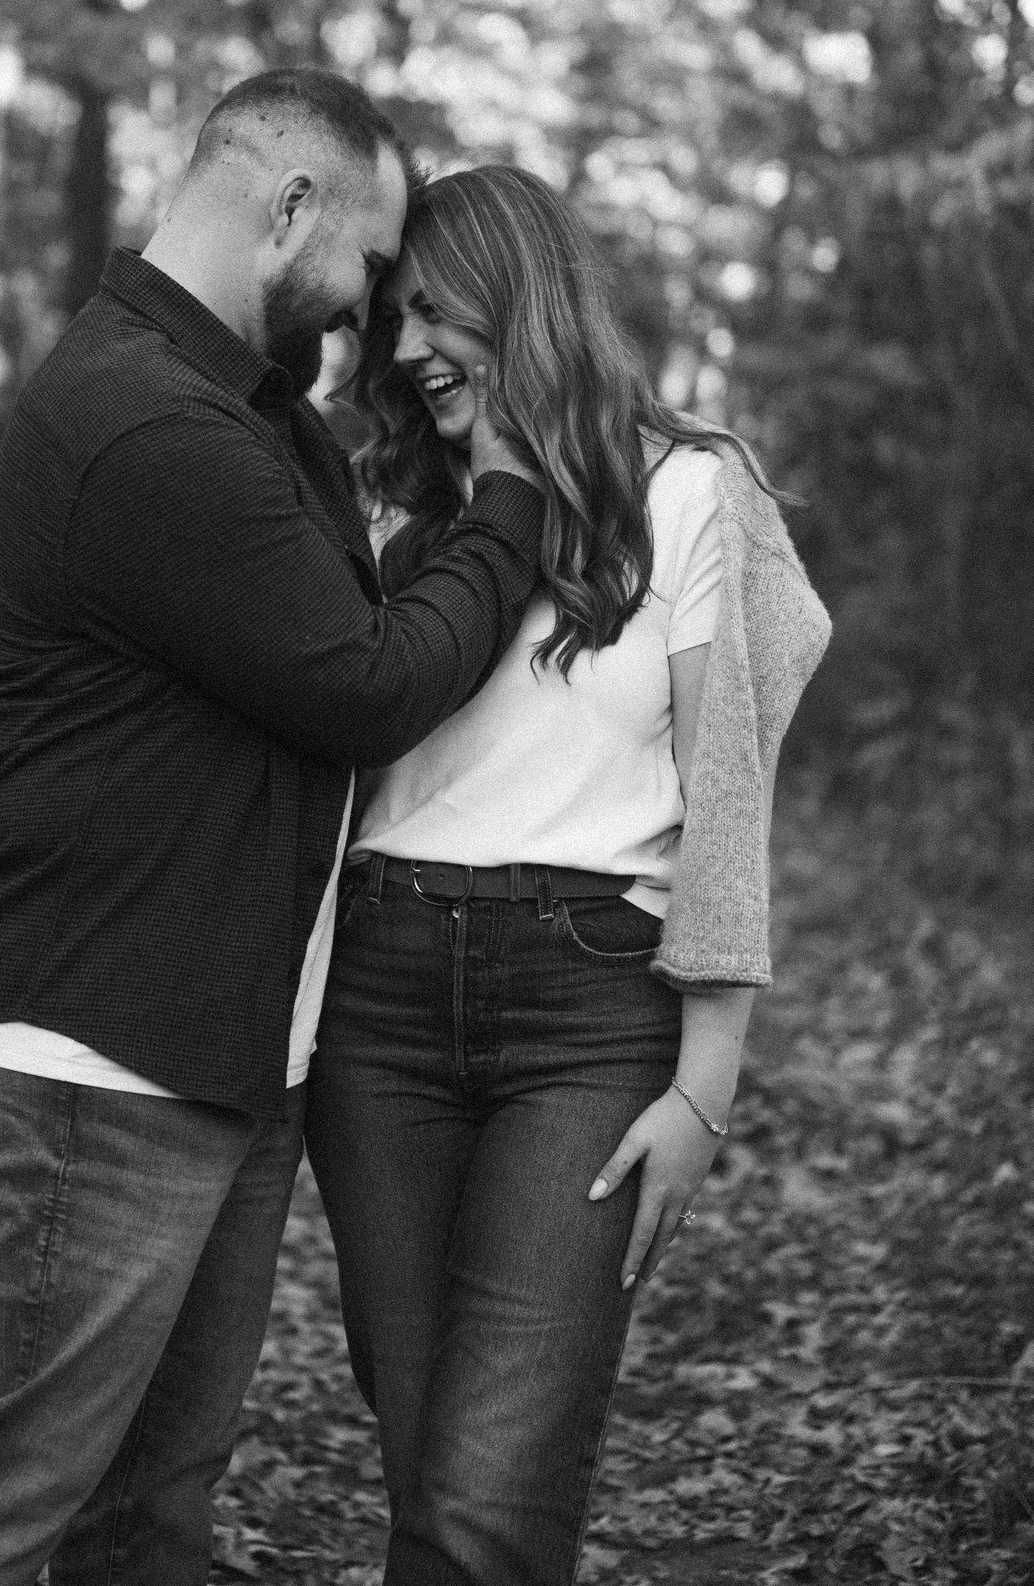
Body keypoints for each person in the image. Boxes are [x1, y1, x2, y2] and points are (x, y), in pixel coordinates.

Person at [0, 73, 546, 1586]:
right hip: (110, 1056)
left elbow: (324, 622)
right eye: (365, 268)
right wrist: (512, 509)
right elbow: (361, 683)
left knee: (148, 1521)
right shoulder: (144, 422)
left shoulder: (243, 409)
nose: (366, 316)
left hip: (224, 1049)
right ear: (289, 209)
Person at [304, 164, 831, 1586]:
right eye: (393, 316)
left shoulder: (690, 492)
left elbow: (731, 798)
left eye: (438, 311)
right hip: (379, 1008)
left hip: (589, 1018)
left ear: (525, 297)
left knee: (488, 1497)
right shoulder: (379, 510)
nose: (407, 348)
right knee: (426, 1466)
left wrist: (705, 1084)